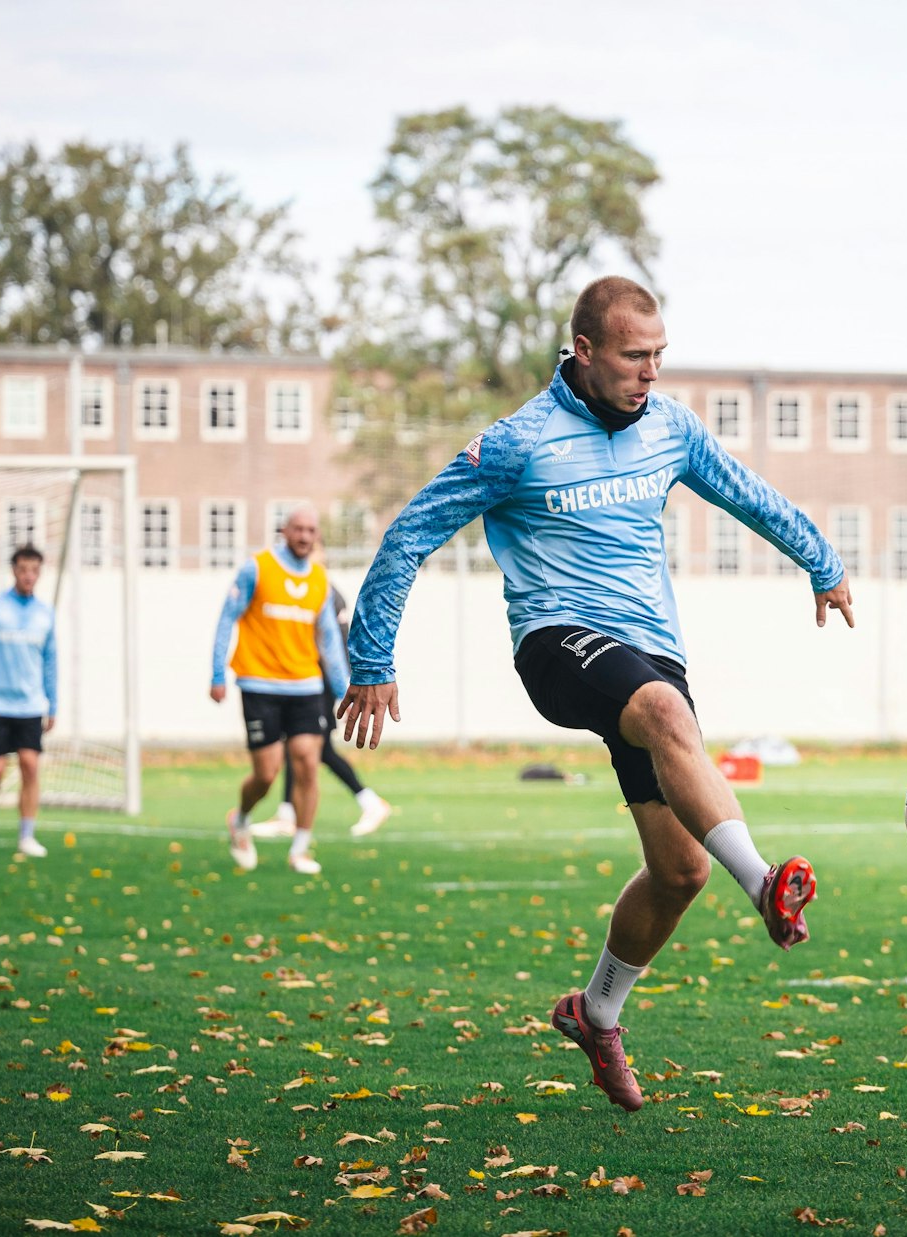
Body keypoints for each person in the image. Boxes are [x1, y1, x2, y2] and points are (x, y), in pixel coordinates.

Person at [337, 276, 855, 1112]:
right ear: (584, 352)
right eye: (634, 356)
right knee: (664, 713)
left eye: (659, 355)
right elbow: (410, 533)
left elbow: (746, 493)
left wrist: (822, 562)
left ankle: (597, 1010)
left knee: (681, 869)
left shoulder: (671, 429)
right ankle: (765, 884)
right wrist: (372, 657)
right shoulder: (518, 443)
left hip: (651, 654)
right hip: (558, 645)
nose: (650, 372)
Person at [210, 505, 351, 875]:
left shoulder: (320, 580)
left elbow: (329, 641)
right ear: (284, 532)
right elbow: (227, 616)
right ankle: (240, 819)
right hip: (259, 683)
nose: (305, 536)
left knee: (308, 762)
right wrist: (217, 673)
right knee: (267, 774)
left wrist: (342, 689)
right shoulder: (257, 568)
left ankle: (300, 849)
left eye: (311, 530)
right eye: (298, 529)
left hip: (305, 685)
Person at [251, 580, 392, 840]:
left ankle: (370, 802)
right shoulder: (302, 586)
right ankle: (288, 814)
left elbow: (337, 642)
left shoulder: (322, 590)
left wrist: (342, 689)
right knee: (296, 742)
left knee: (319, 748)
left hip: (320, 682)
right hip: (306, 681)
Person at [0, 544, 57, 857]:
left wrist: (53, 703)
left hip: (31, 705)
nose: (28, 576)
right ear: (14, 570)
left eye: (34, 570)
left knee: (30, 766)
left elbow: (50, 660)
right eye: (23, 569)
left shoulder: (45, 614)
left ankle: (27, 835)